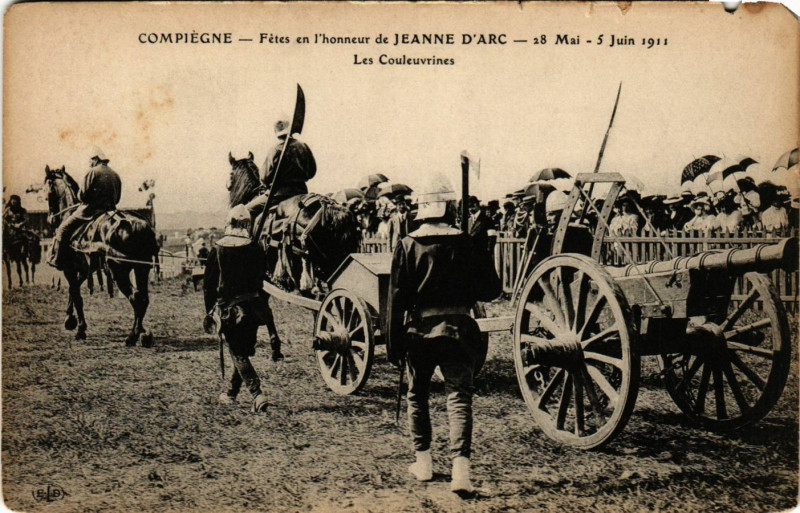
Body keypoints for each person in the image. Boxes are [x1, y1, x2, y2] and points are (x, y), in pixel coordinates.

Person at [388, 174, 501, 494]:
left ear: (421, 211)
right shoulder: (466, 242)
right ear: (449, 207)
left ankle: (423, 463)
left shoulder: (408, 245)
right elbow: (491, 290)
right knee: (459, 398)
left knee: (417, 395)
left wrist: (395, 340)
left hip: (420, 332)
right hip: (459, 329)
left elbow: (396, 298)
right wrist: (481, 250)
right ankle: (460, 472)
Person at [203, 205, 271, 412]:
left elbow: (208, 285)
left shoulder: (218, 249)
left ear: (229, 223)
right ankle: (231, 393)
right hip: (253, 308)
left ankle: (257, 394)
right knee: (242, 352)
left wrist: (210, 312)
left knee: (238, 354)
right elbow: (263, 281)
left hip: (229, 311)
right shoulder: (256, 248)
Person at [48, 148, 121, 269]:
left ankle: (57, 259)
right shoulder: (115, 174)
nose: (89, 163)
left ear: (96, 159)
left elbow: (82, 195)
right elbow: (117, 198)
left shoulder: (92, 171)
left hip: (90, 211)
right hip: (110, 211)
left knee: (62, 228)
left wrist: (83, 199)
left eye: (90, 160)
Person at [245, 116, 317, 218]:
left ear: (277, 133)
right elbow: (312, 172)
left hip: (278, 195)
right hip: (302, 192)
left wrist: (266, 184)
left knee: (246, 210)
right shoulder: (303, 146)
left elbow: (264, 177)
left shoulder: (275, 149)